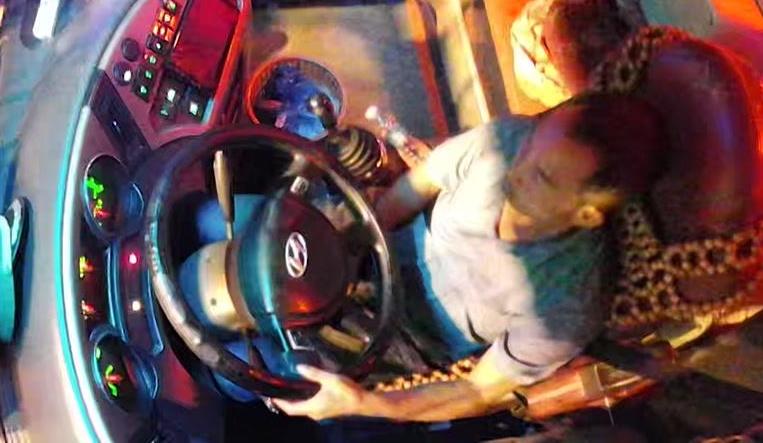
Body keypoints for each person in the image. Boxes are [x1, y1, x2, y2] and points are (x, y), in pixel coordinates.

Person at [269, 92, 668, 422]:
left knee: (274, 372)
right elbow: (419, 184)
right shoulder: (507, 139)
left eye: (543, 176)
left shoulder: (568, 304)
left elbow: (477, 390)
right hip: (382, 245)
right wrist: (356, 236)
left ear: (586, 215)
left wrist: (363, 404)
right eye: (532, 140)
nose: (515, 168)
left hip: (410, 332)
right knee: (248, 224)